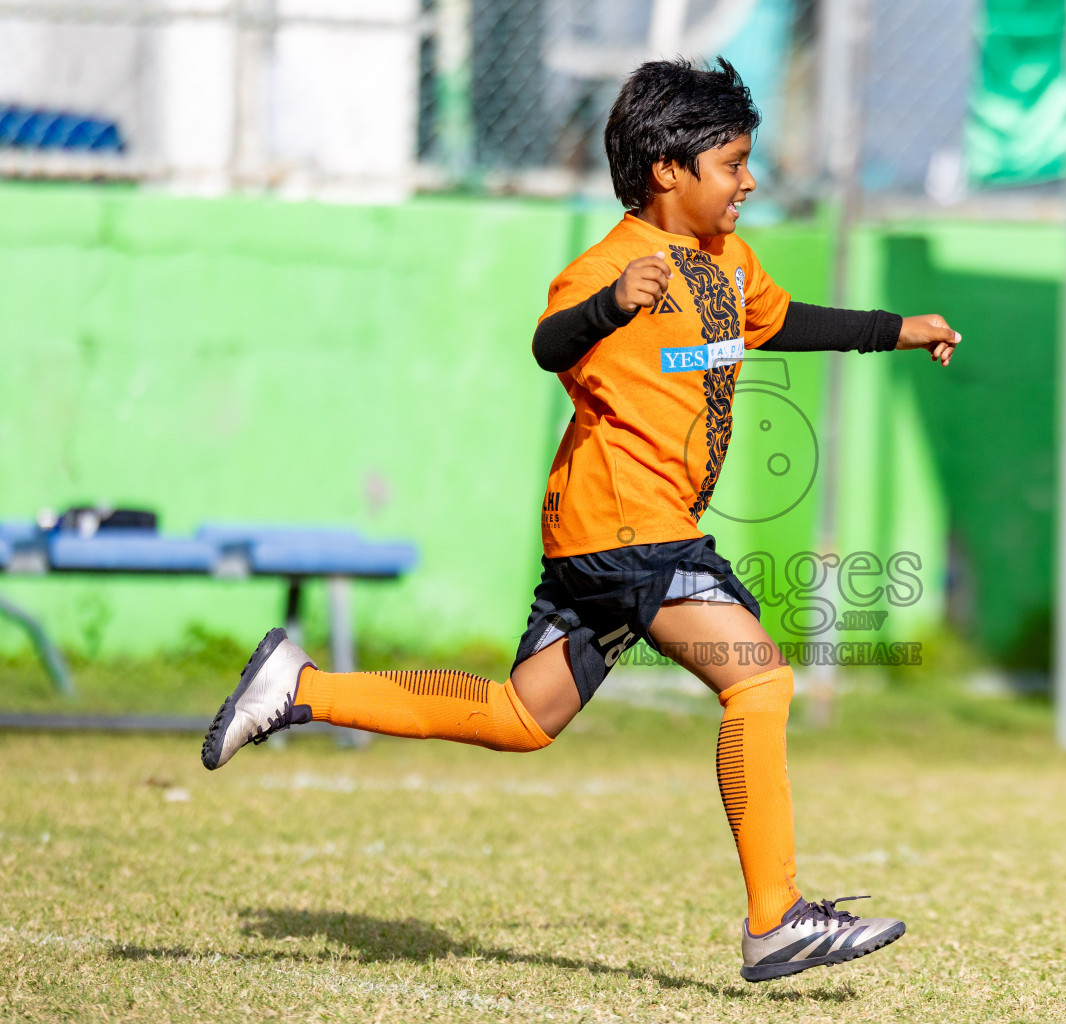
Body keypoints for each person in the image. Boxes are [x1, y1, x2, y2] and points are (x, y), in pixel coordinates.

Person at [200, 57, 960, 982]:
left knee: (524, 716)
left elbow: (781, 320)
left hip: (611, 534)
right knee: (758, 683)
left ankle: (302, 686)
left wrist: (895, 327)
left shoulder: (727, 261)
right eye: (734, 163)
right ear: (668, 171)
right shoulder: (606, 270)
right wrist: (611, 304)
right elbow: (547, 343)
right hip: (627, 526)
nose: (749, 181)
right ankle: (777, 918)